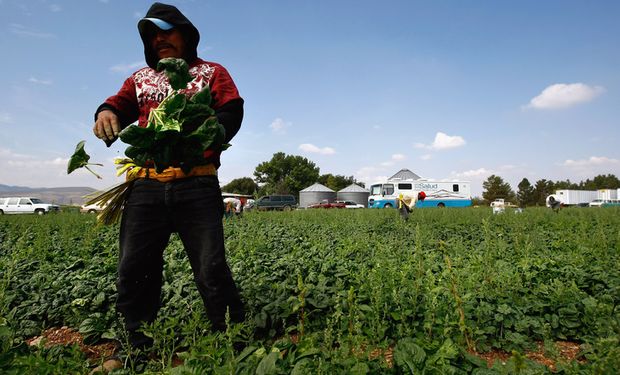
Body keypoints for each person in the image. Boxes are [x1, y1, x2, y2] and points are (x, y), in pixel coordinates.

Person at [91, 1, 245, 365]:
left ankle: (234, 342)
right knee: (134, 266)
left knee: (210, 267)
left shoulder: (211, 72)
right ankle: (135, 347)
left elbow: (231, 108)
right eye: (152, 34)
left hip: (197, 183)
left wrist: (209, 134)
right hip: (146, 184)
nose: (160, 39)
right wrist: (105, 112)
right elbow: (119, 103)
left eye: (166, 30)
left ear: (186, 34)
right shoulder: (140, 79)